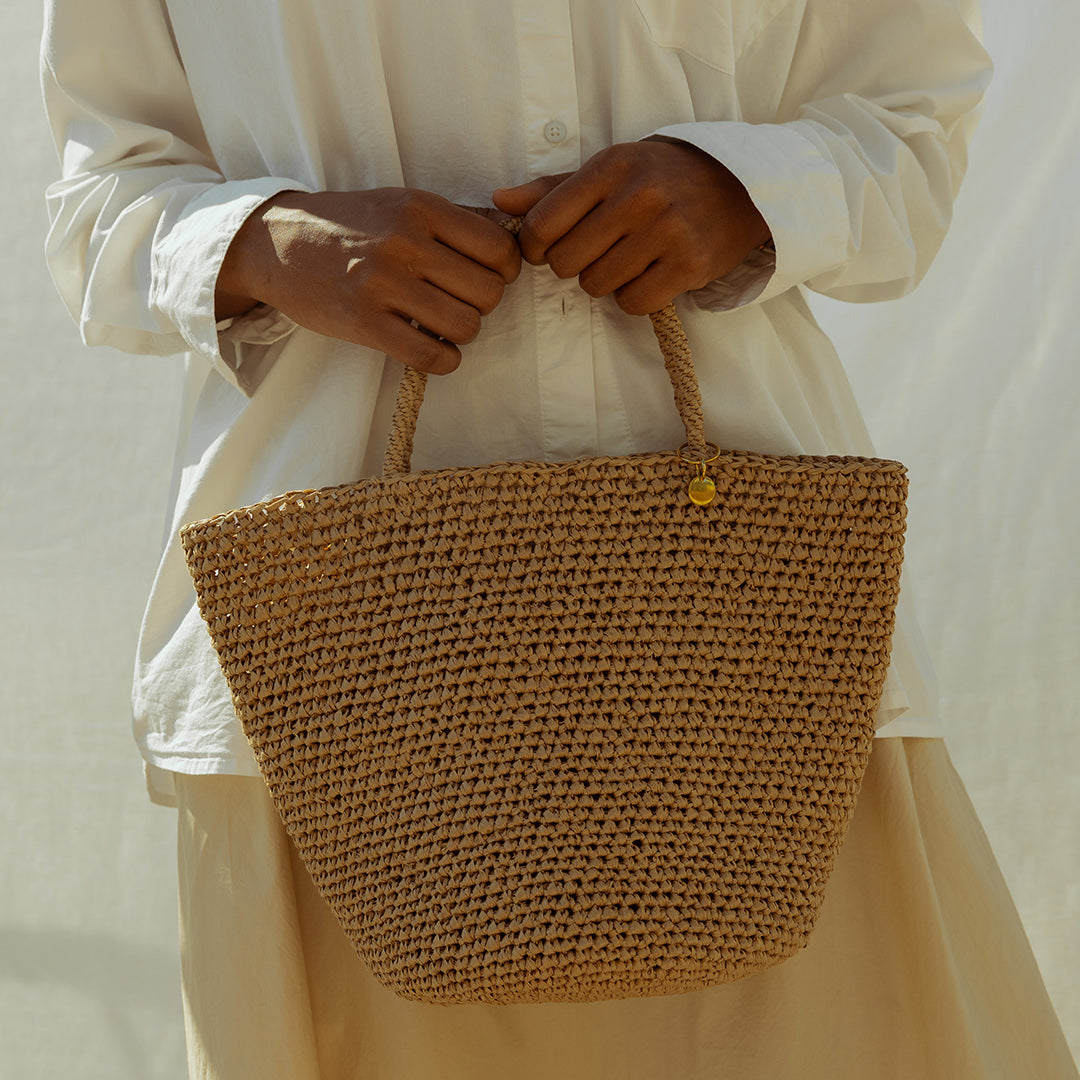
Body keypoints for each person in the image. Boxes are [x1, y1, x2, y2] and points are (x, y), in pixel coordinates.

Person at [41, 1, 1077, 1078]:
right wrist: (267, 242)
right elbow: (90, 205)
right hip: (329, 700)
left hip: (760, 675)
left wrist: (749, 190)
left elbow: (914, 127)